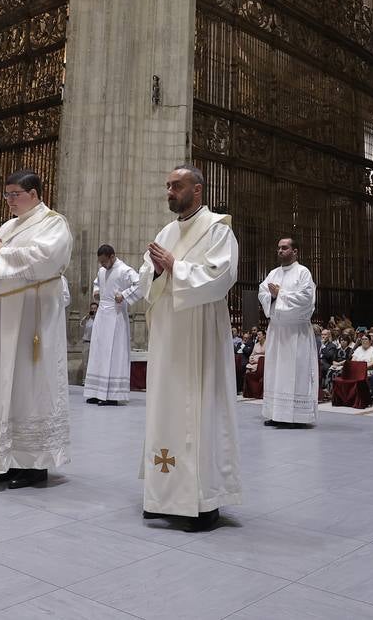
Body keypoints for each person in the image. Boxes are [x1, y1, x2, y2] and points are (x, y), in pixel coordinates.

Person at [130, 165, 240, 532]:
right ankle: (162, 496)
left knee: (199, 411)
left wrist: (175, 266)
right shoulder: (165, 231)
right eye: (167, 186)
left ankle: (201, 502)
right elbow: (146, 276)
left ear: (198, 189)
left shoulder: (218, 230)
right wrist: (160, 272)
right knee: (165, 410)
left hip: (199, 335)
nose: (169, 192)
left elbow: (221, 277)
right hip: (167, 336)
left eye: (176, 186)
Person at [0, 170, 73, 489]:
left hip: (31, 317)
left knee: (29, 384)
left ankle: (34, 465)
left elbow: (48, 258)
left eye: (14, 194)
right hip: (2, 314)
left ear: (34, 193)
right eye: (6, 195)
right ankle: (5, 458)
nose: (9, 200)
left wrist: (2, 254)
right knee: (1, 381)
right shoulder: (9, 226)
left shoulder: (53, 223)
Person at [258, 237, 318, 428]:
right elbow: (262, 292)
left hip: (296, 332)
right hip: (277, 330)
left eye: (284, 248)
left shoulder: (303, 272)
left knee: (295, 372)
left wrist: (280, 295)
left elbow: (306, 299)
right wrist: (273, 297)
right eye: (279, 248)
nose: (280, 251)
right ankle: (276, 413)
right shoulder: (273, 273)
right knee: (275, 372)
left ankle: (296, 416)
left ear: (295, 251)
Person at [84, 244, 139, 406]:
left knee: (113, 353)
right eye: (100, 262)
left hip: (116, 316)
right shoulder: (102, 271)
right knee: (99, 351)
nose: (102, 265)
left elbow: (140, 284)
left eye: (104, 261)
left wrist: (124, 294)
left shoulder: (124, 270)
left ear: (112, 257)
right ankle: (96, 391)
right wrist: (96, 290)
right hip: (102, 315)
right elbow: (97, 283)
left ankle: (112, 395)